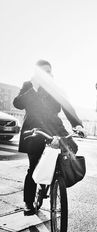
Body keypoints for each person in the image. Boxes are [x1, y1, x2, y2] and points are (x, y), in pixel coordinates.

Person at [13, 60, 85, 216]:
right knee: (34, 167)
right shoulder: (29, 85)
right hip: (35, 128)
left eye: (49, 71)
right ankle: (28, 202)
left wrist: (77, 125)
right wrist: (33, 88)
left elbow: (67, 106)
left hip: (55, 127)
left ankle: (56, 179)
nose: (47, 74)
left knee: (72, 147)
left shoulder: (55, 89)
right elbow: (17, 103)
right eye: (43, 71)